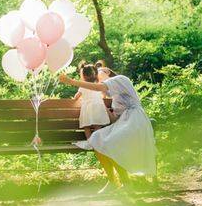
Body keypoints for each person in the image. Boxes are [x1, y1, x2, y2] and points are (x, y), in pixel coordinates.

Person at [59, 63, 156, 192]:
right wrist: (103, 108)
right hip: (124, 123)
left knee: (110, 142)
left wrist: (71, 81)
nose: (97, 75)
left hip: (135, 121)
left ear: (108, 72)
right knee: (96, 138)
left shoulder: (120, 79)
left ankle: (126, 182)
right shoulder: (114, 95)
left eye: (99, 72)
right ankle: (112, 181)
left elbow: (98, 87)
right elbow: (115, 119)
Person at [73, 62, 110, 138]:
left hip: (87, 108)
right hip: (98, 107)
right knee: (97, 125)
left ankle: (90, 141)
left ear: (83, 75)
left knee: (86, 126)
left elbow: (76, 97)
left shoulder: (83, 86)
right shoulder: (98, 85)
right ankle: (95, 140)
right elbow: (104, 96)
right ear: (95, 74)